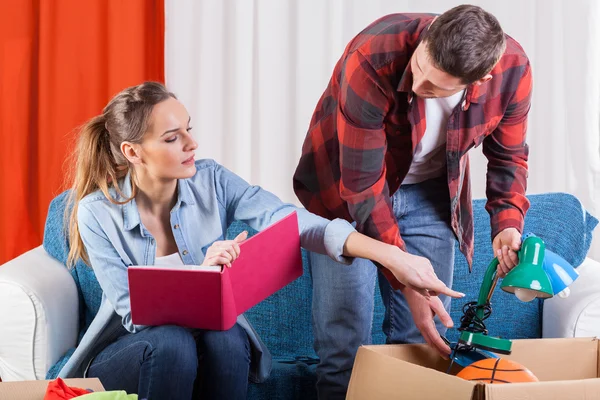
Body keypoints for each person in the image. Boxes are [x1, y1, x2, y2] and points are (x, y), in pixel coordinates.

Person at [59, 82, 462, 400]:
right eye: (171, 138)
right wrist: (202, 276)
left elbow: (291, 221)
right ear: (133, 151)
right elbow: (135, 314)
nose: (191, 144)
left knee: (229, 337)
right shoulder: (97, 212)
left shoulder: (212, 179)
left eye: (189, 129)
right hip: (132, 352)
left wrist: (389, 255)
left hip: (200, 337)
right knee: (172, 343)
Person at [293, 4, 532, 398]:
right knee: (344, 350)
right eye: (420, 68)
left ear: (479, 80)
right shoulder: (373, 54)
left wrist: (507, 224)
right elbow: (363, 187)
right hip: (344, 198)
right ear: (429, 35)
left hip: (431, 196)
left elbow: (508, 156)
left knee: (425, 345)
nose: (419, 86)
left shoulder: (512, 71)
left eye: (437, 88)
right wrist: (408, 281)